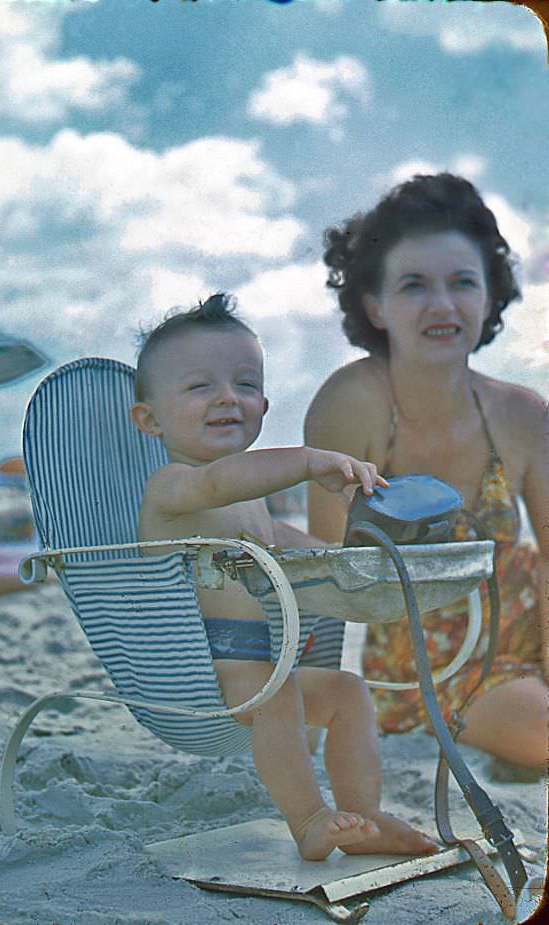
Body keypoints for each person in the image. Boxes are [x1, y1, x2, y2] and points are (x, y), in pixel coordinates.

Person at [130, 293, 438, 861]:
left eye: (245, 385)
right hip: (198, 669)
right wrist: (305, 461)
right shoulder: (174, 487)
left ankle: (365, 814)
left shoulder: (256, 514)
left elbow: (322, 562)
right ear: (149, 420)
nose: (227, 397)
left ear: (264, 404)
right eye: (200, 387)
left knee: (347, 692)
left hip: (258, 664)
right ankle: (309, 818)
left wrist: (376, 550)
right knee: (279, 698)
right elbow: (222, 482)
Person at [304, 173, 548, 772]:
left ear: (489, 295)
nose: (442, 305)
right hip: (433, 678)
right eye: (414, 285)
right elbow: (320, 569)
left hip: (531, 654)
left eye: (463, 282)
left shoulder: (521, 414)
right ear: (374, 305)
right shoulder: (354, 403)